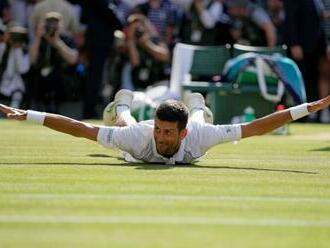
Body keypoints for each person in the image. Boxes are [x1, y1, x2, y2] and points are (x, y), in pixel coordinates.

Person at [0, 89, 329, 164]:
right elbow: (81, 128)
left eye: (168, 132)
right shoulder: (144, 134)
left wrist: (305, 109)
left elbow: (255, 127)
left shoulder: (197, 136)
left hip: (197, 129)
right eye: (160, 129)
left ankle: (197, 105)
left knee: (200, 118)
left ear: (181, 133)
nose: (161, 136)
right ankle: (124, 102)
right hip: (133, 134)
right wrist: (28, 113)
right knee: (124, 122)